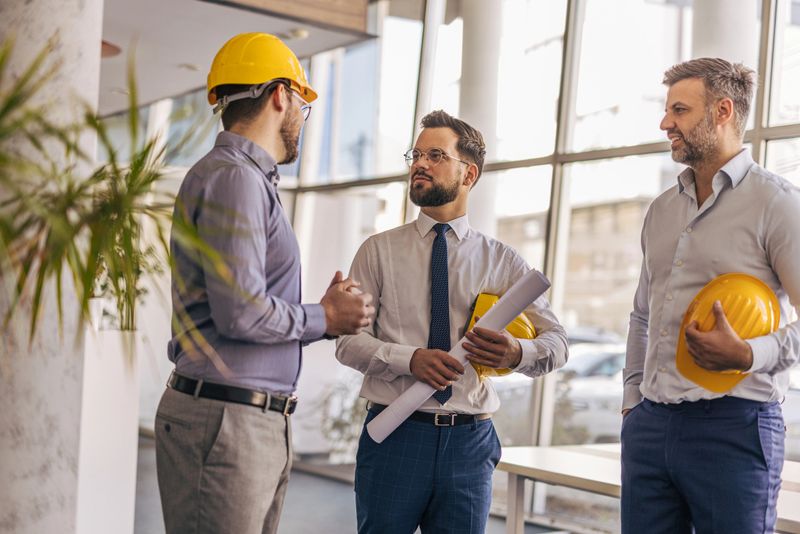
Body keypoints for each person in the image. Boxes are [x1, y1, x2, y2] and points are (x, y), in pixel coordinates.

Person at [154, 32, 374, 534]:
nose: (301, 116)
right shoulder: (235, 178)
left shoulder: (244, 179)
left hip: (243, 420)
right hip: (226, 422)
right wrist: (327, 316)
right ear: (280, 94)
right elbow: (242, 312)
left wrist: (323, 318)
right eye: (302, 103)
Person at [335, 110, 568, 534]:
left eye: (436, 155)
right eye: (417, 154)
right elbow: (347, 344)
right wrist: (411, 360)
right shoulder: (377, 251)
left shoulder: (503, 261)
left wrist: (518, 352)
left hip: (469, 442)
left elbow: (558, 343)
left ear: (469, 174)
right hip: (395, 435)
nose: (419, 164)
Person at [622, 57, 800, 534]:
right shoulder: (661, 210)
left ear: (722, 111)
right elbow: (642, 315)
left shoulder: (776, 203)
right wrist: (631, 401)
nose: (665, 123)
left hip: (735, 426)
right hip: (651, 424)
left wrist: (747, 353)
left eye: (679, 110)